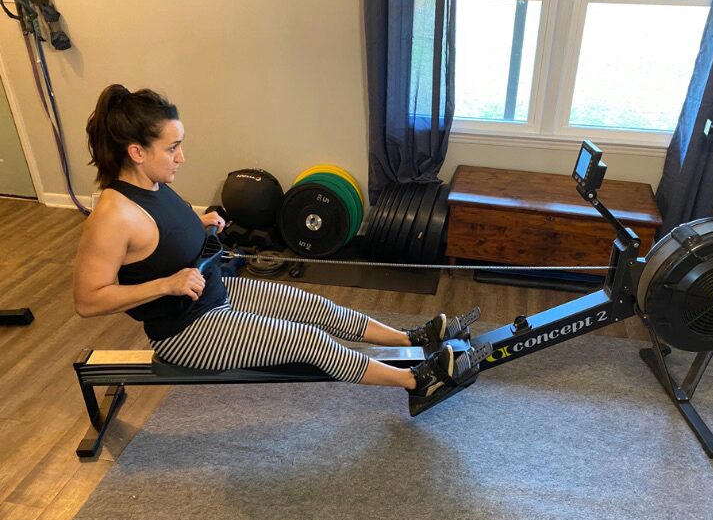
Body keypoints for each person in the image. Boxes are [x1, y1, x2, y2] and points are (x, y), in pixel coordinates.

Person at [73, 84, 473, 415]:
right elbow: (88, 300)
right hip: (185, 332)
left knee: (316, 308)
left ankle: (410, 339)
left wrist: (199, 224)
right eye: (172, 147)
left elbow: (155, 237)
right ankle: (418, 382)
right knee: (308, 341)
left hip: (216, 290)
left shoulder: (153, 183)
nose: (182, 157)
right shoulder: (112, 215)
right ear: (137, 152)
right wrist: (166, 285)